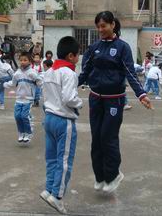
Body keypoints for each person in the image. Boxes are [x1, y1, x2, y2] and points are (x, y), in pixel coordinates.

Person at [78, 11, 151, 194]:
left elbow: (129, 72)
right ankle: (100, 177)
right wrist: (67, 87)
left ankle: (113, 175)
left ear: (112, 25)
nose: (100, 29)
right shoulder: (93, 47)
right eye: (98, 26)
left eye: (104, 26)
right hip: (95, 99)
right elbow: (84, 73)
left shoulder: (122, 47)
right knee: (96, 139)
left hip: (114, 100)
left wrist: (141, 94)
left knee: (107, 138)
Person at [39, 36, 83, 214]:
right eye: (78, 55)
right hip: (64, 120)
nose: (78, 58)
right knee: (64, 161)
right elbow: (69, 98)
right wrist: (80, 103)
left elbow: (44, 96)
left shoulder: (49, 72)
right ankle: (57, 196)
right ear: (71, 56)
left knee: (51, 158)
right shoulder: (69, 73)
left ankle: (49, 189)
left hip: (48, 118)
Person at [4, 52, 42, 143]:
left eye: (25, 60)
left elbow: (40, 82)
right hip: (19, 99)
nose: (22, 62)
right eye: (21, 60)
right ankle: (21, 133)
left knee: (24, 116)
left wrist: (38, 81)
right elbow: (13, 83)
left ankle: (28, 133)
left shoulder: (32, 72)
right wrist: (5, 84)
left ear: (29, 61)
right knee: (17, 116)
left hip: (28, 99)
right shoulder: (17, 73)